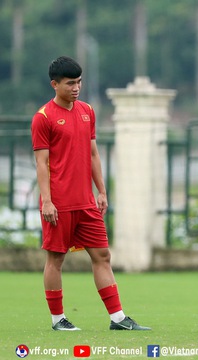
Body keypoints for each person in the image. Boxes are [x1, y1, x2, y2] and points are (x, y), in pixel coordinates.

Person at [31, 56, 149, 331]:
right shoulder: (43, 118)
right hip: (58, 203)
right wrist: (47, 200)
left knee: (103, 256)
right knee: (56, 259)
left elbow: (93, 154)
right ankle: (58, 319)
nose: (76, 87)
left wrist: (102, 191)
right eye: (70, 83)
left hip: (86, 202)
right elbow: (41, 163)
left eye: (79, 82)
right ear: (55, 84)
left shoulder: (87, 111)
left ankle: (118, 318)